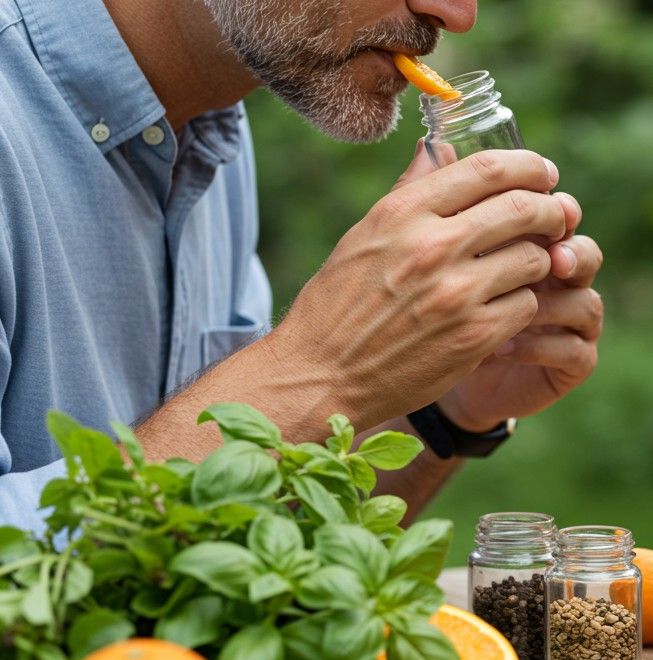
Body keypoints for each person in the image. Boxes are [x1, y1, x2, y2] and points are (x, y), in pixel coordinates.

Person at [0, 0, 604, 524]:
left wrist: (440, 407)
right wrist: (321, 368)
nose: (456, 15)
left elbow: (234, 552)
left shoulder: (213, 133)